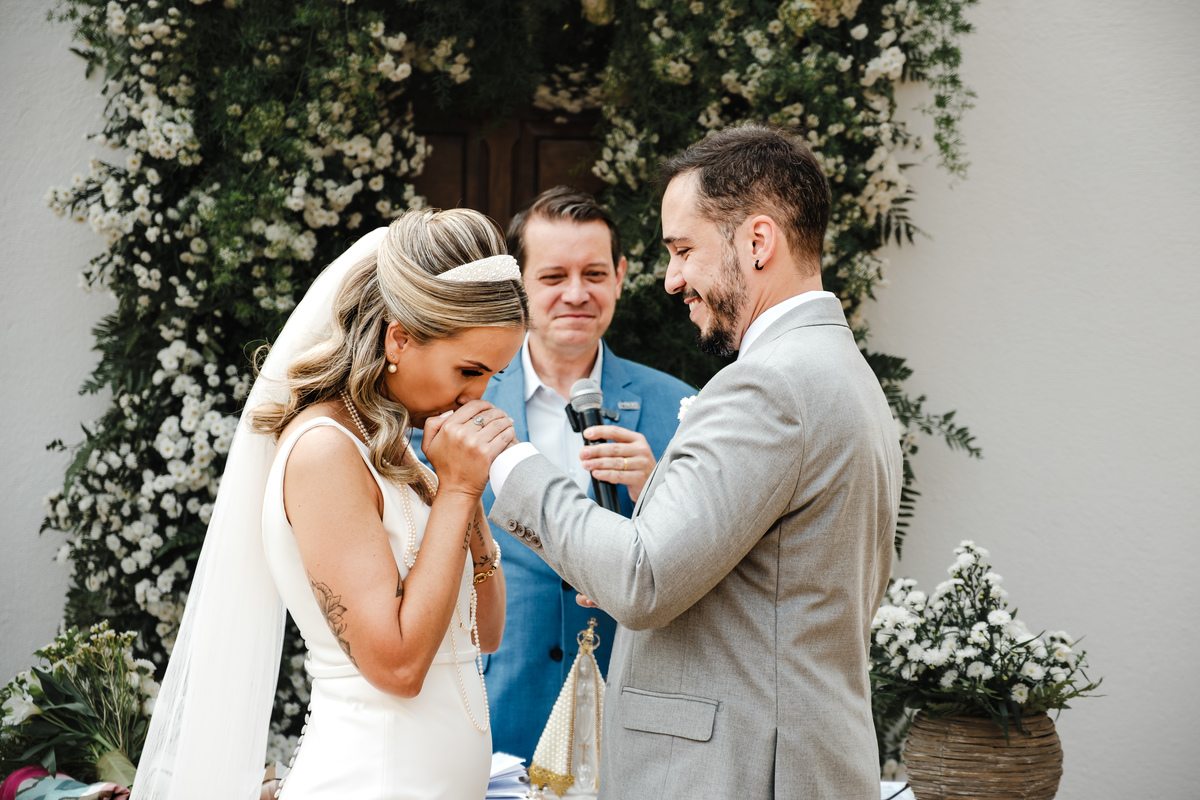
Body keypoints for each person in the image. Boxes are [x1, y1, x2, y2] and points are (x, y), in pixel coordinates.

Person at [475, 125, 903, 799]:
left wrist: (510, 460)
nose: (671, 280)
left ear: (757, 242)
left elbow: (643, 578)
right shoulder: (840, 370)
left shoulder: (767, 385)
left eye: (683, 251)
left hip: (740, 772)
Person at [131, 209, 529, 800]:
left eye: (492, 376)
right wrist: (460, 489)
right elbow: (396, 668)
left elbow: (487, 633)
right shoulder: (325, 452)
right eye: (468, 370)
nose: (476, 396)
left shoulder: (402, 451)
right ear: (399, 338)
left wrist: (462, 497)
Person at [482, 186, 693, 761]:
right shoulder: (464, 401)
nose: (576, 294)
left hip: (631, 712)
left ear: (621, 276)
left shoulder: (682, 408)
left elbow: (702, 565)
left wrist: (654, 490)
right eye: (553, 277)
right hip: (494, 704)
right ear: (517, 285)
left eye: (594, 273)